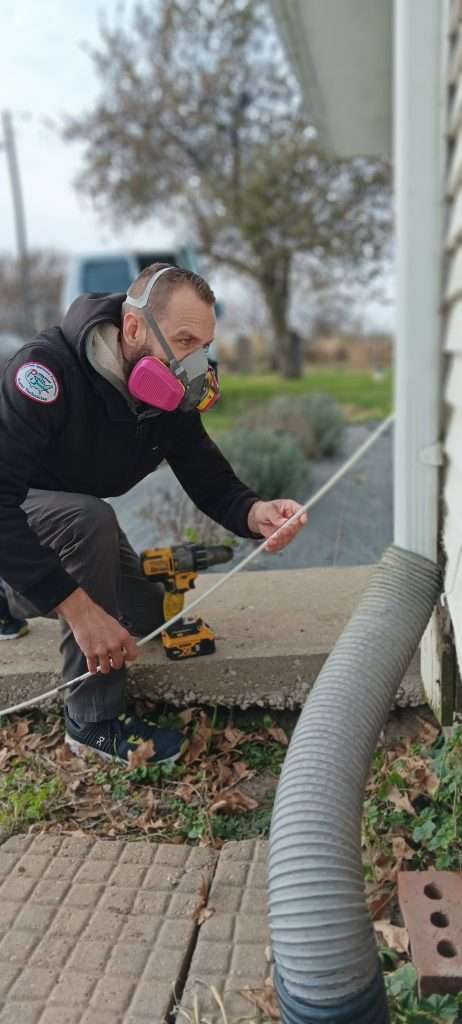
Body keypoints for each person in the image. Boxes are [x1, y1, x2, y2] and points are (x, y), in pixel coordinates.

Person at [0, 263, 307, 765]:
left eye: (203, 345)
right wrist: (79, 611)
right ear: (135, 328)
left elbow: (203, 469)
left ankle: (9, 597)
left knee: (145, 619)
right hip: (20, 501)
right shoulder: (44, 374)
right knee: (87, 523)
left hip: (64, 520)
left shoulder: (164, 392)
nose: (195, 360)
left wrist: (256, 513)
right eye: (184, 339)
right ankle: (91, 721)